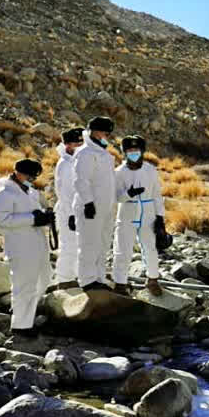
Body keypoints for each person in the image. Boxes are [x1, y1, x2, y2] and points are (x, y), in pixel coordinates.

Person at [0, 159, 55, 338]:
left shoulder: (31, 193)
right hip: (20, 247)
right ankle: (21, 326)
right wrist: (32, 219)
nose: (32, 179)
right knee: (24, 285)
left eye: (34, 176)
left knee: (44, 280)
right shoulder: (4, 194)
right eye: (29, 175)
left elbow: (36, 214)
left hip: (37, 245)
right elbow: (2, 221)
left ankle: (26, 315)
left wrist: (45, 217)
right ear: (18, 173)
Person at [112, 135, 166, 297]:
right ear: (124, 152)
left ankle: (153, 279)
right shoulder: (118, 172)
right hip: (127, 212)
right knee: (122, 248)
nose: (133, 153)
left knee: (149, 246)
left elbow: (157, 194)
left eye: (136, 150)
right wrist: (129, 194)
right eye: (129, 150)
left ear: (142, 151)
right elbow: (116, 196)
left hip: (148, 212)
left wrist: (160, 217)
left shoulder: (150, 170)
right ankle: (120, 282)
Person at [73, 117, 117, 291]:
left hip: (106, 208)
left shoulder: (104, 154)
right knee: (89, 244)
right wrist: (88, 202)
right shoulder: (85, 153)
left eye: (108, 132)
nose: (106, 135)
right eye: (103, 131)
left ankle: (99, 278)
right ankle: (87, 281)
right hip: (90, 207)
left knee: (103, 243)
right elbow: (81, 181)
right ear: (93, 131)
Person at [52, 127, 85, 290]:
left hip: (79, 211)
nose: (79, 145)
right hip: (68, 212)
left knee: (80, 246)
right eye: (76, 143)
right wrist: (73, 215)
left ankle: (77, 277)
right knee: (69, 246)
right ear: (68, 145)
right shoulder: (65, 165)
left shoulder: (76, 161)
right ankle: (65, 280)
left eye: (81, 142)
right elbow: (66, 193)